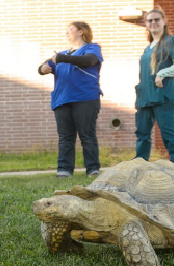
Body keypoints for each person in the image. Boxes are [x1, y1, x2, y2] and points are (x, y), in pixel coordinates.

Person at [38, 21, 103, 177]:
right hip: (62, 100)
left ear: (81, 32)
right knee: (65, 137)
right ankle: (64, 170)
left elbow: (89, 61)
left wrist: (60, 58)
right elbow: (42, 67)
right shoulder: (63, 54)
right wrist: (43, 68)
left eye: (70, 30)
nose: (66, 33)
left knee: (87, 135)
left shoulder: (92, 48)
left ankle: (92, 169)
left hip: (86, 98)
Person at [134, 6, 174, 164]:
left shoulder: (170, 41)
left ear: (164, 21)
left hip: (164, 95)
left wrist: (162, 74)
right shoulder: (147, 48)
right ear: (146, 24)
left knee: (168, 131)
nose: (153, 23)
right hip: (145, 97)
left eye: (157, 19)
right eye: (149, 20)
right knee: (142, 133)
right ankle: (140, 163)